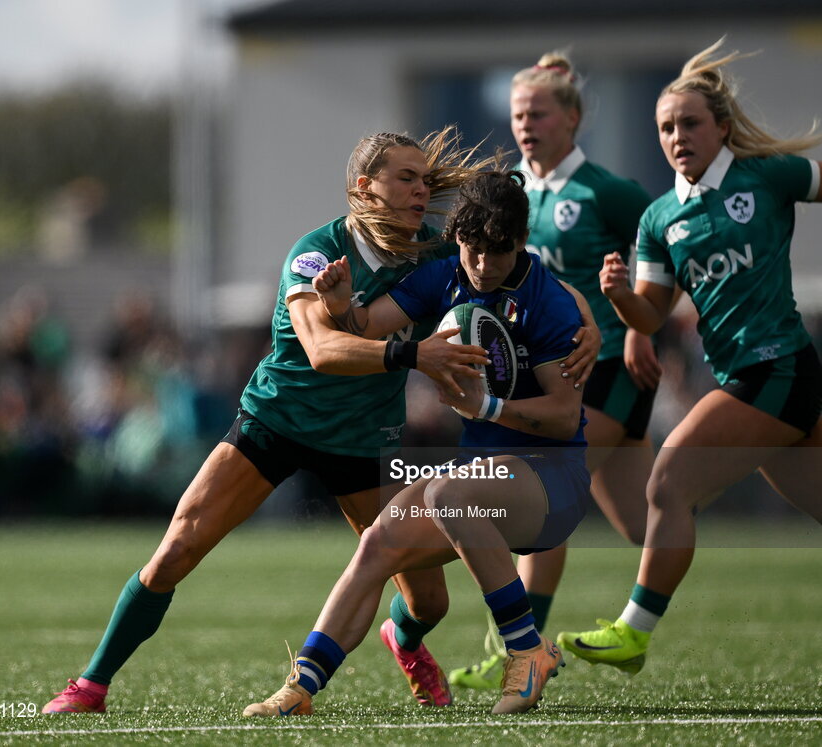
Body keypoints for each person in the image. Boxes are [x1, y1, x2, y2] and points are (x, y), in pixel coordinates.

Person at [40, 128, 501, 714]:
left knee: (430, 601)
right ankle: (90, 685)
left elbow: (503, 296)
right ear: (364, 187)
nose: (420, 190)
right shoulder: (316, 252)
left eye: (425, 179)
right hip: (277, 423)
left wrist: (572, 324)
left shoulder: (437, 256)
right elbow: (322, 350)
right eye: (405, 177)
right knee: (178, 548)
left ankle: (404, 641)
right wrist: (416, 355)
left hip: (363, 441)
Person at [556, 38, 822, 674]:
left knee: (667, 480)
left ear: (722, 129)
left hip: (780, 367)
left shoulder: (765, 177)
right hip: (750, 378)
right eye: (664, 128)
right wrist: (622, 299)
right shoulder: (659, 219)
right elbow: (653, 314)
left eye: (689, 123)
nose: (676, 136)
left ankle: (634, 632)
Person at [242, 168, 593, 717]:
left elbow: (565, 415)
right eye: (471, 248)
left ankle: (526, 649)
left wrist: (489, 408)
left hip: (551, 480)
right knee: (377, 544)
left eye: (496, 253)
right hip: (477, 481)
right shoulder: (446, 276)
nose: (480, 265)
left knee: (449, 491)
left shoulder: (549, 302)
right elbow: (363, 325)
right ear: (457, 239)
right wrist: (337, 306)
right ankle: (301, 687)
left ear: (521, 242)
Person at [449, 51, 662, 690]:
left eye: (539, 112)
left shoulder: (606, 191)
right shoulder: (510, 191)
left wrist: (641, 325)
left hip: (601, 366)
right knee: (651, 519)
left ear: (572, 119)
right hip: (545, 375)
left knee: (538, 496)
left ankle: (523, 653)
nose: (526, 124)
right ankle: (640, 619)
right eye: (518, 114)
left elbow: (668, 246)